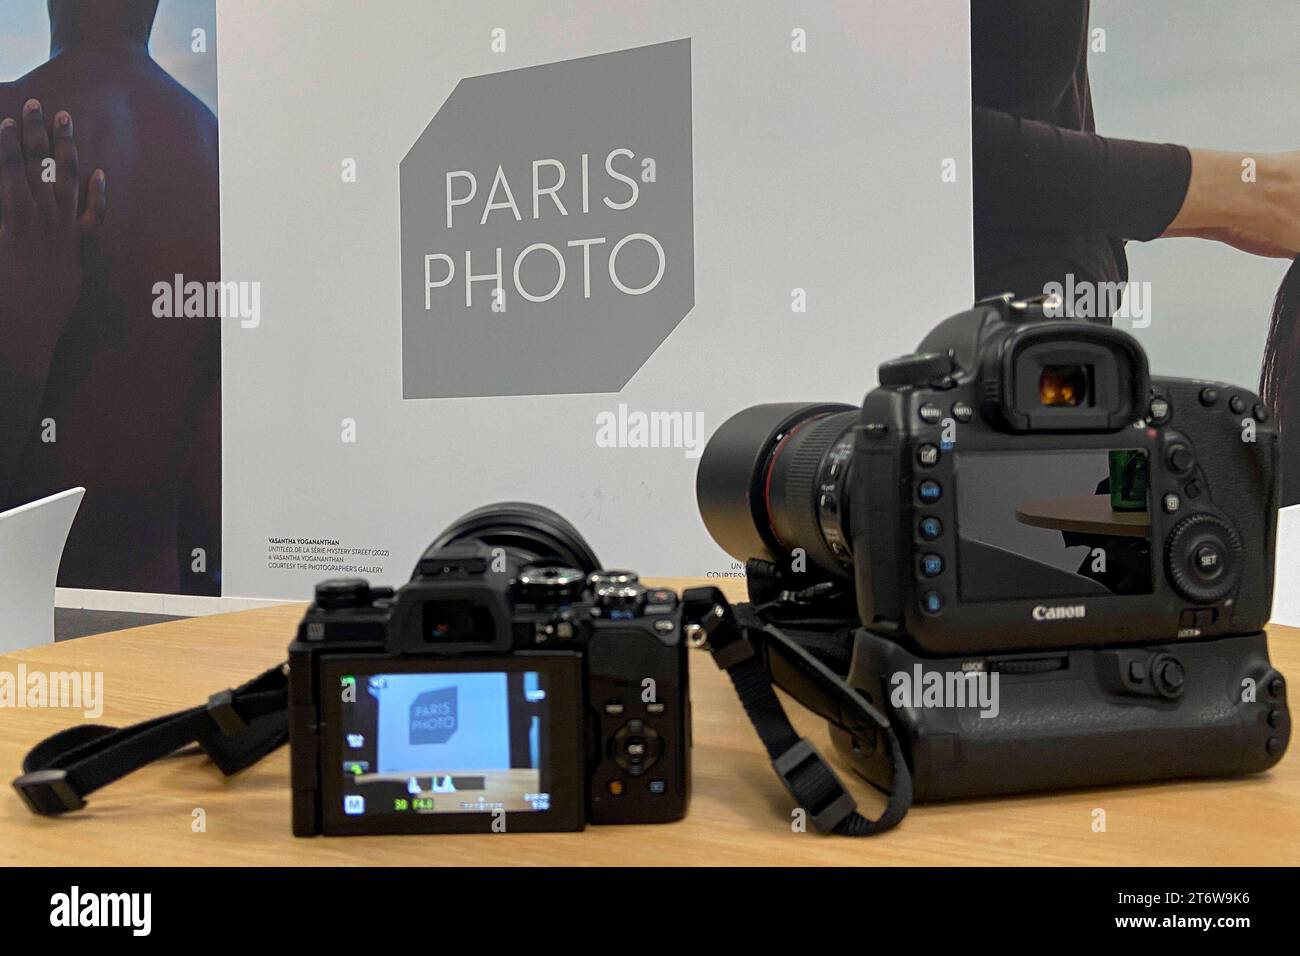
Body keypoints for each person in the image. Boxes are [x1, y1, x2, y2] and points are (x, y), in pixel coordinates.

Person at [972, 0, 1300, 504]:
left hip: (1050, 389)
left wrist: (1234, 200)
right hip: (977, 403)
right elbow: (913, 144)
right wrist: (1248, 194)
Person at [0, 0, 221, 593]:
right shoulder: (217, 147)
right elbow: (213, 494)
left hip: (26, 619)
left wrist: (28, 335)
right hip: (166, 622)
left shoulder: (13, 131)